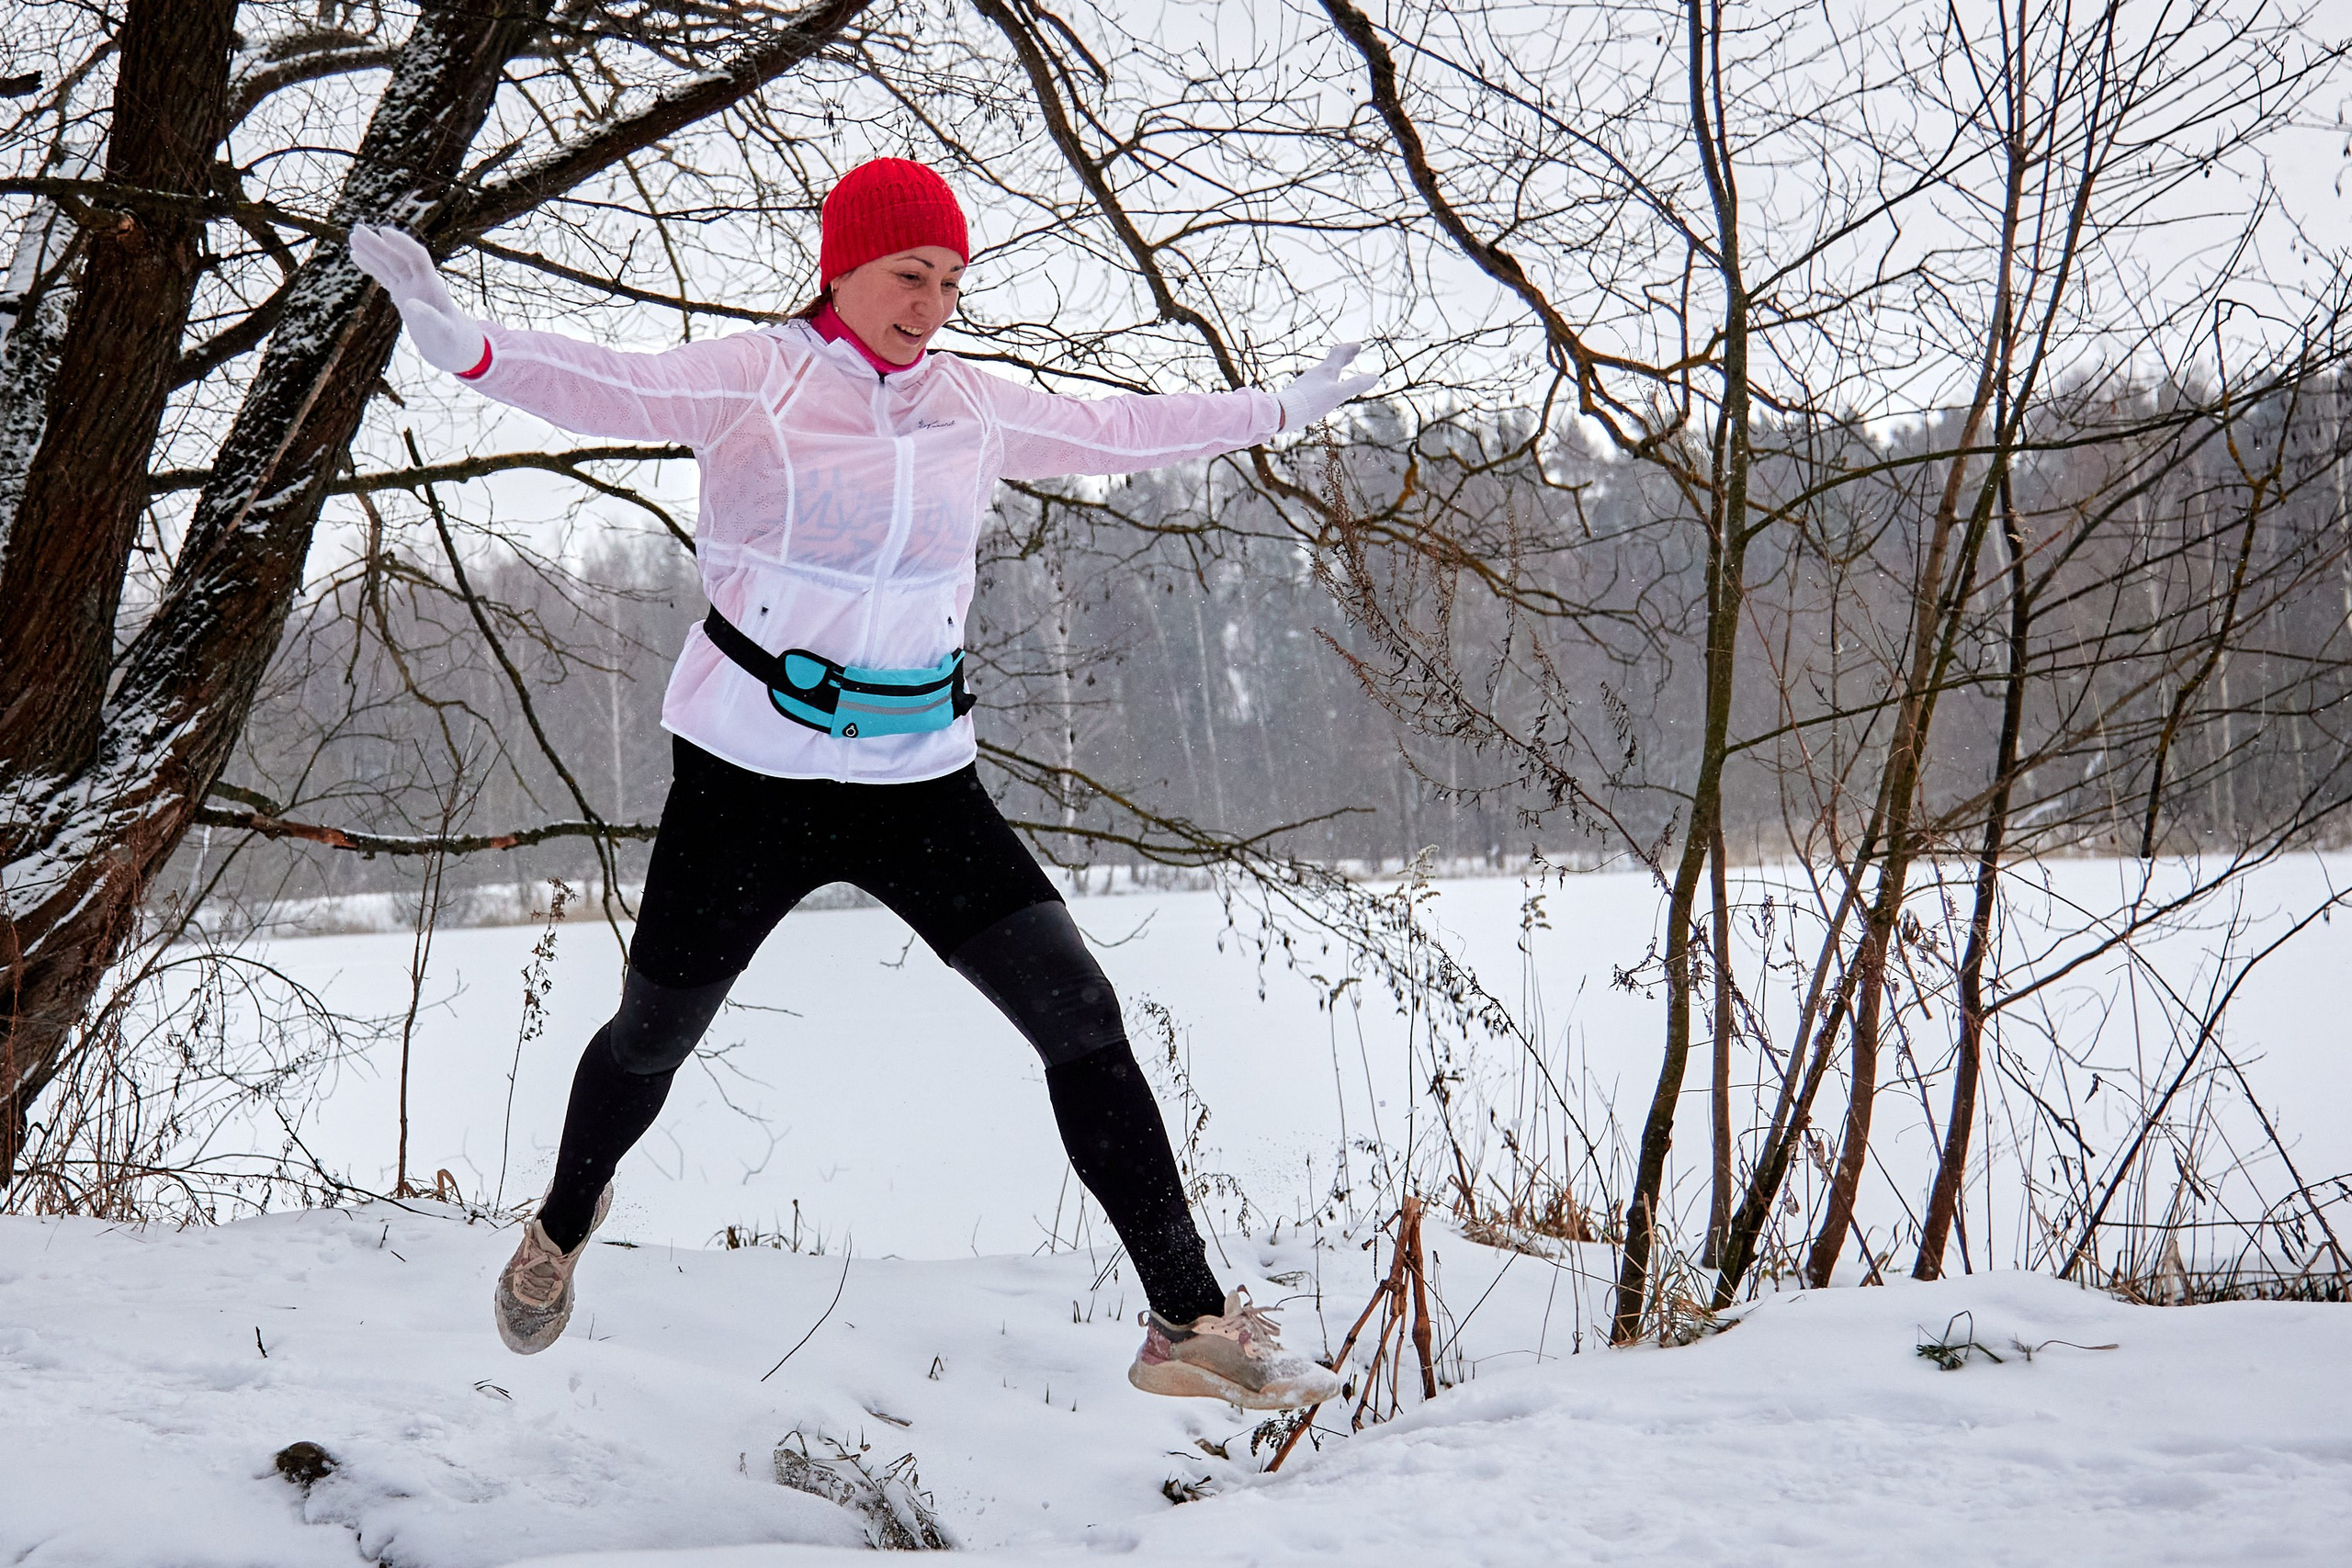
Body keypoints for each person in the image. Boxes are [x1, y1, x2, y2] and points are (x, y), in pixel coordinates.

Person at [347, 157, 1373, 1411]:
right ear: (843, 264)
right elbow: (610, 384)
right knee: (654, 1037)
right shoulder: (757, 379)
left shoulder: (970, 407)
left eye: (950, 280)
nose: (931, 302)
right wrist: (467, 347)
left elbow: (1118, 431)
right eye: (909, 274)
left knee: (1080, 1014)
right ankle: (561, 1224)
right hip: (748, 782)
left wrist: (1272, 410)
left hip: (917, 784)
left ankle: (1183, 1317)